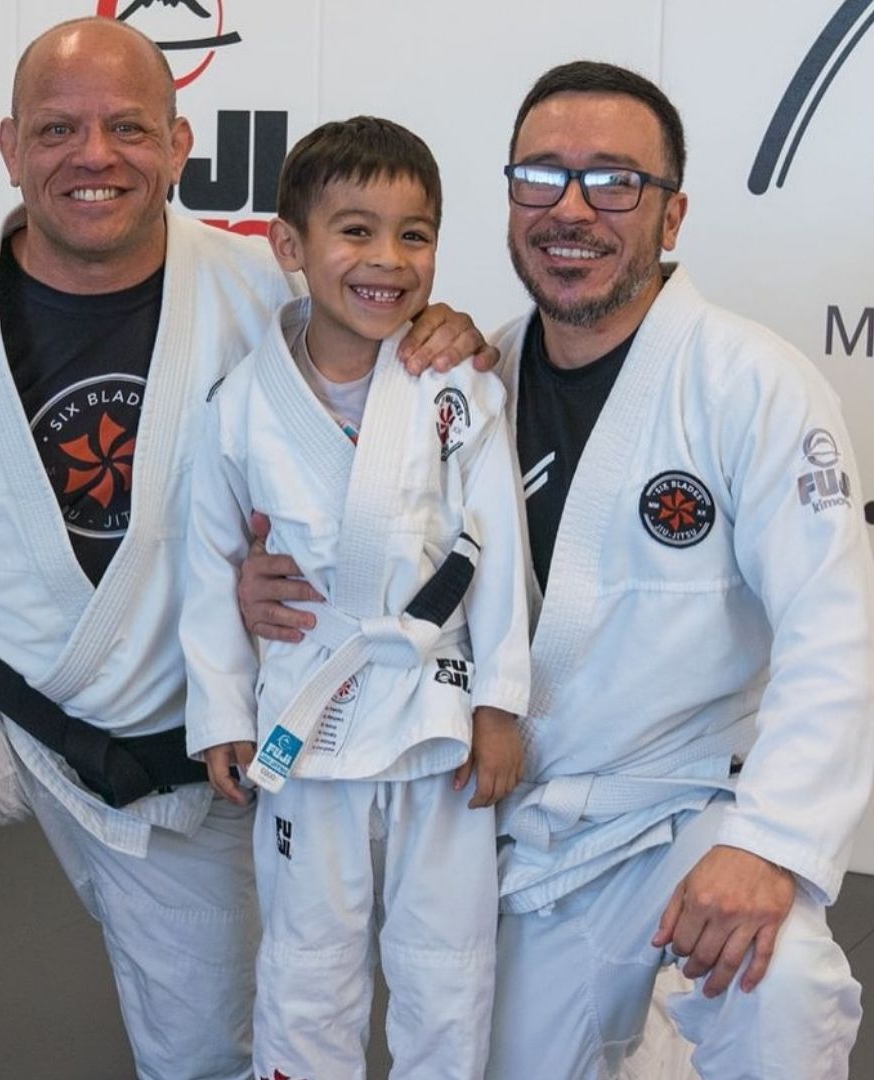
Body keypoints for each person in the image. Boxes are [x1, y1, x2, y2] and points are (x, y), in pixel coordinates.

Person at [0, 18, 492, 1080]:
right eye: (58, 129)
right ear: (9, 148)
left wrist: (442, 335)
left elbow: (391, 446)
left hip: (179, 743)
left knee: (215, 1054)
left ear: (179, 145)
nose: (95, 155)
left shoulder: (268, 295)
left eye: (129, 127)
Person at [240, 61, 874, 1080]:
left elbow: (833, 631)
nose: (571, 208)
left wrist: (772, 845)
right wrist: (261, 585)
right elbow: (382, 568)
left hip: (684, 812)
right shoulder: (464, 380)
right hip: (524, 833)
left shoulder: (752, 384)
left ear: (671, 217)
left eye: (614, 181)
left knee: (784, 985)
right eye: (541, 176)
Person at [180, 116, 531, 1080]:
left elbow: (496, 547)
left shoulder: (455, 384)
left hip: (437, 715)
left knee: (446, 957)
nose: (388, 259)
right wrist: (220, 709)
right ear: (288, 246)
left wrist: (501, 703)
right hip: (312, 709)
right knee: (305, 956)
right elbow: (208, 564)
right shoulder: (241, 402)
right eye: (356, 230)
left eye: (414, 234)